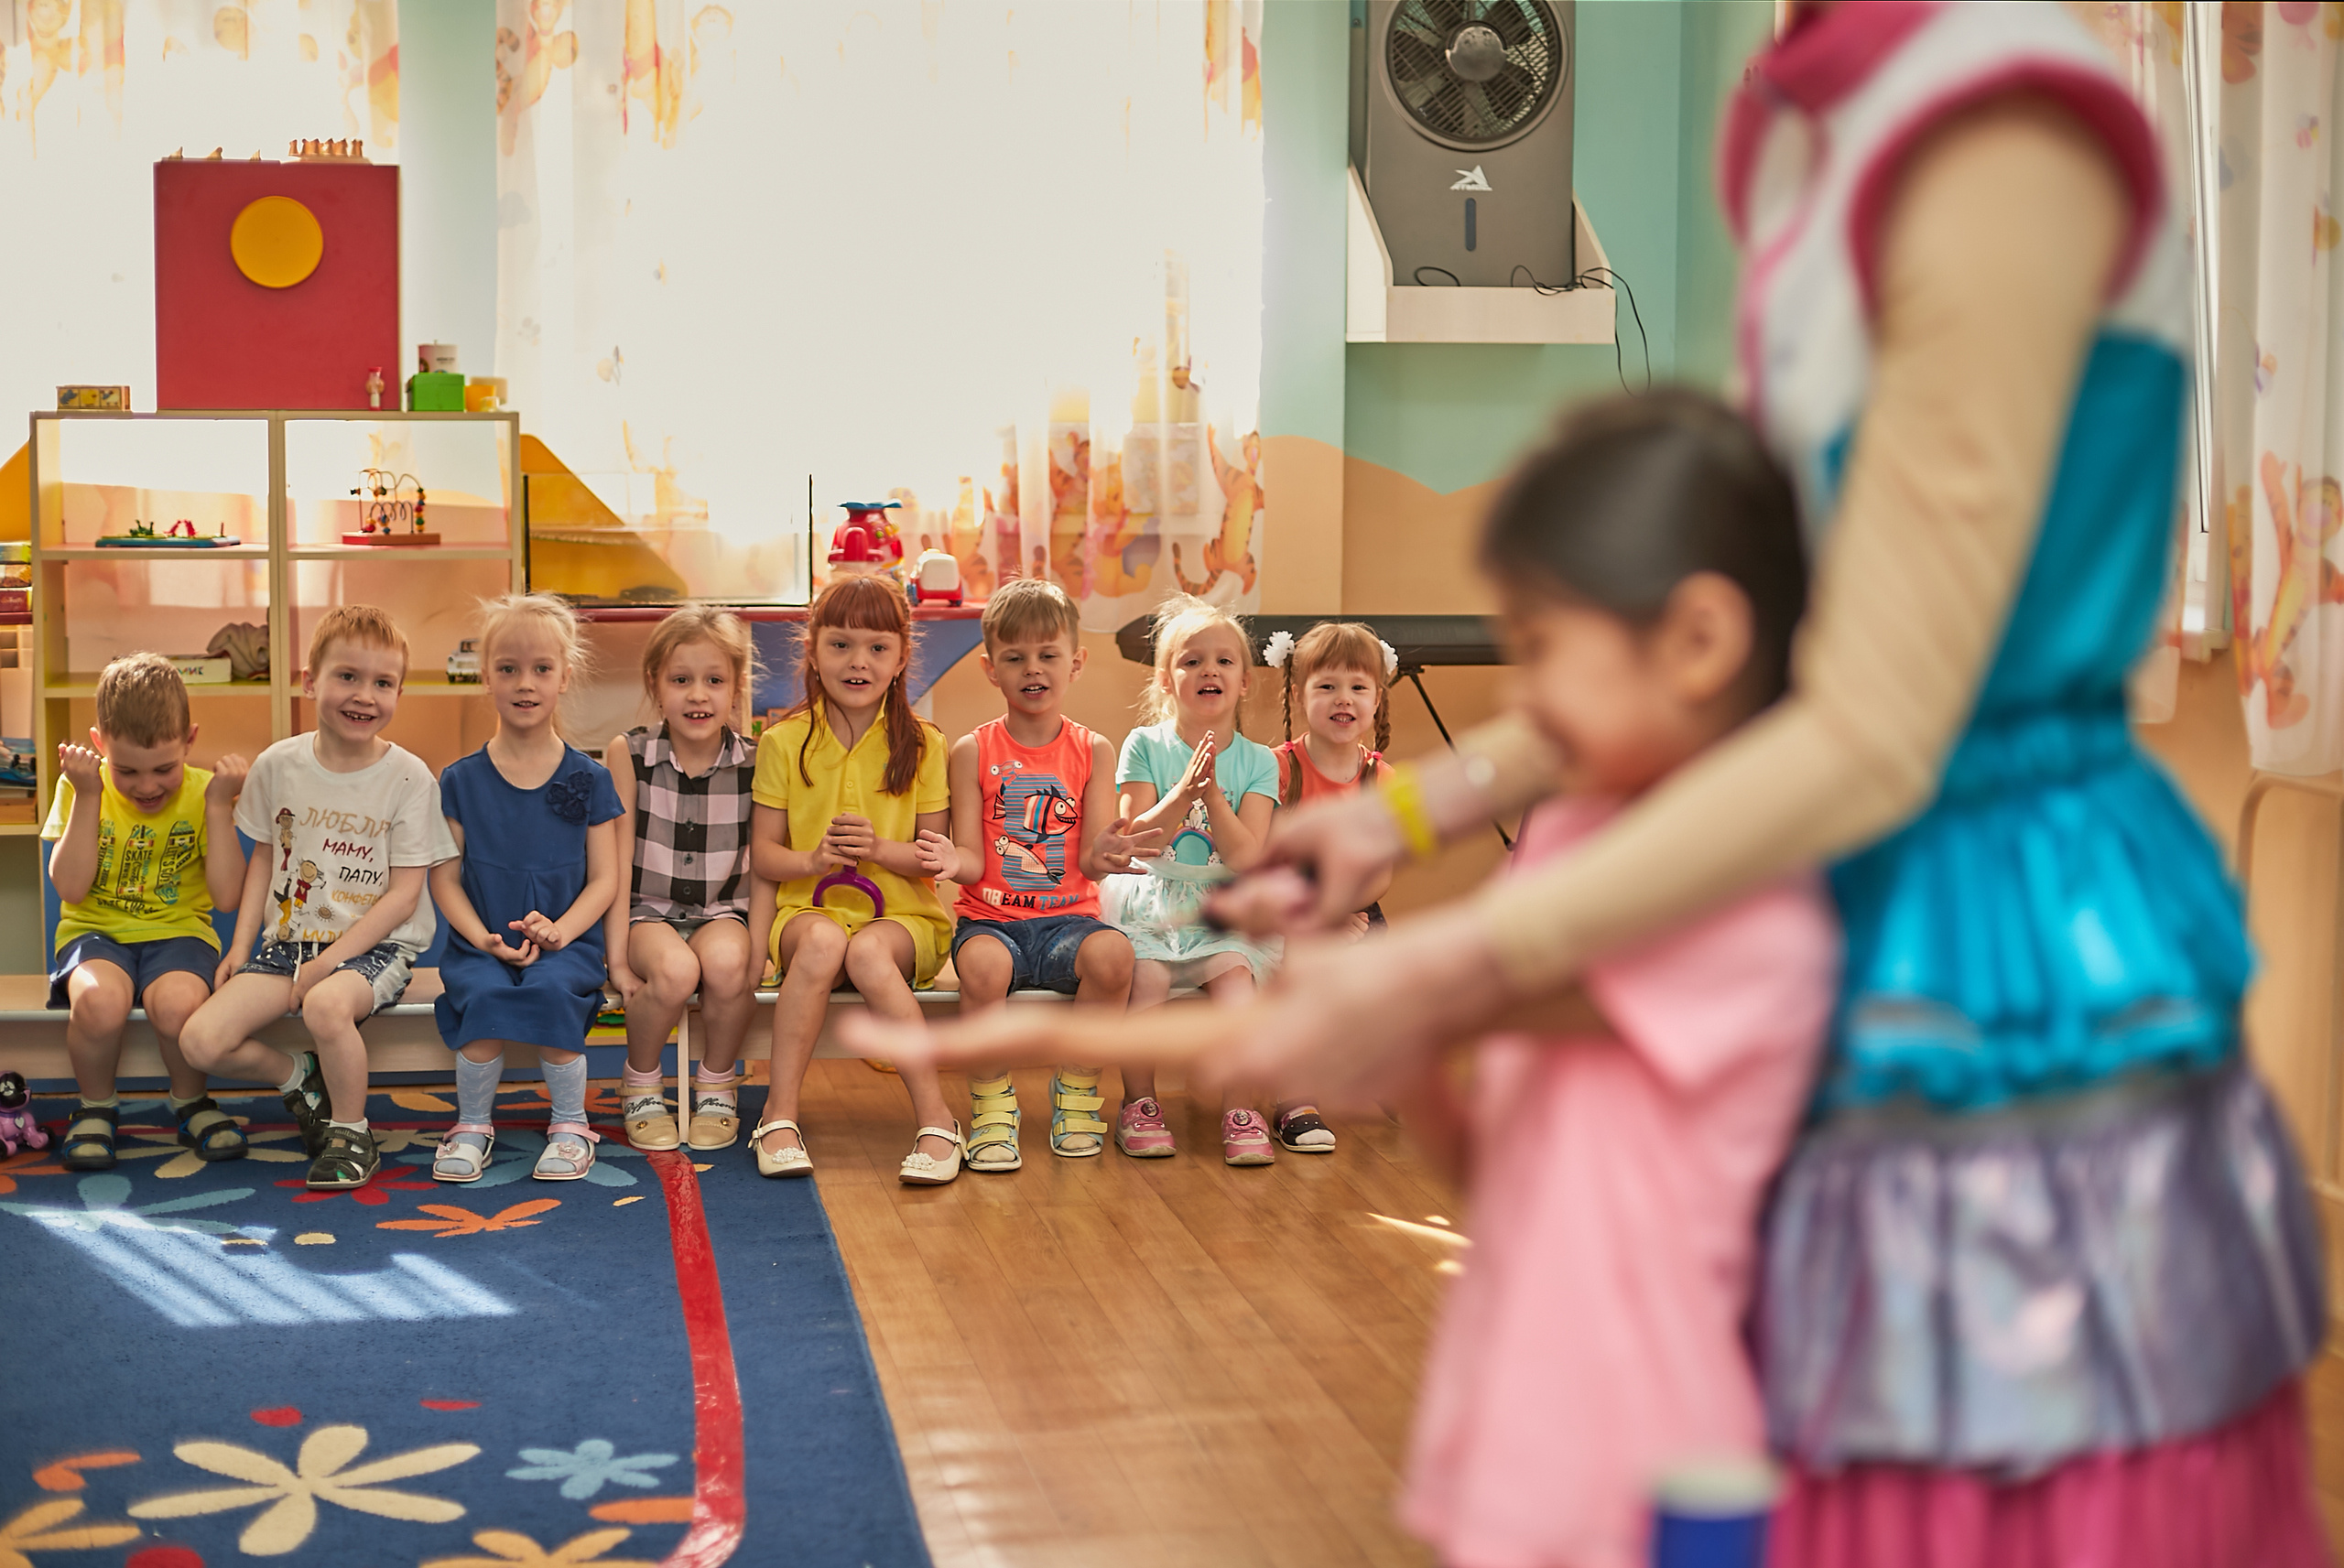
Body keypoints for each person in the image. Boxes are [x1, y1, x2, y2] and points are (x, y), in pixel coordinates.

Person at [861, 6, 2334, 1562]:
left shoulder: (1999, 131)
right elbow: (1732, 641)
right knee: (1733, 1432)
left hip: (1965, 924)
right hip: (1805, 850)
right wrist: (1407, 814)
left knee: (1938, 1466)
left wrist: (1441, 955)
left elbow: (1872, 710)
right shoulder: (1823, 116)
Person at [1406, 392, 1833, 1568]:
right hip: (1518, 1407)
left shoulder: (1746, 895)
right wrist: (1407, 1076)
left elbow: (1457, 995)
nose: (1518, 695)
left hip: (1658, 1456)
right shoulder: (1567, 836)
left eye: (1539, 644)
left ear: (1698, 640)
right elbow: (1495, 1171)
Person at [180, 606, 457, 1192]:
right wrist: (240, 945)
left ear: (399, 693)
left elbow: (405, 896)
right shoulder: (277, 765)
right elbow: (264, 857)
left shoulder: (409, 778)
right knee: (201, 1040)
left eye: (383, 683)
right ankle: (297, 1079)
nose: (365, 696)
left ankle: (351, 1132)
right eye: (348, 677)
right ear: (310, 682)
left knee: (325, 1006)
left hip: (373, 949)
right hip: (286, 945)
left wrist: (330, 963)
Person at [912, 579, 1156, 1172]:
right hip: (992, 921)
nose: (1033, 669)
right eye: (1015, 657)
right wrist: (951, 861)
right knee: (984, 967)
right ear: (991, 668)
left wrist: (1108, 849)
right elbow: (971, 855)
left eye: (1048, 655)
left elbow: (1093, 860)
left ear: (1075, 662)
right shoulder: (972, 750)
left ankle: (1077, 1089)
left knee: (1115, 958)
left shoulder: (1093, 749)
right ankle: (993, 1103)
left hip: (1068, 920)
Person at [748, 576, 963, 1184]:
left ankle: (937, 1121)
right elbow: (764, 855)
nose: (858, 661)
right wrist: (813, 862)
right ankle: (779, 1114)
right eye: (840, 645)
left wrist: (879, 849)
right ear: (812, 650)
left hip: (900, 922)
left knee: (868, 952)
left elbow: (930, 860)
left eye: (876, 647)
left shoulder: (924, 744)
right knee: (823, 943)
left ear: (901, 658)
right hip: (807, 916)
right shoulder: (782, 742)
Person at [428, 594, 624, 1184]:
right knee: (485, 998)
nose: (524, 683)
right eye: (508, 668)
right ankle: (472, 1125)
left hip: (569, 944)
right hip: (479, 941)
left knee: (551, 989)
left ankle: (569, 1124)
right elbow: (445, 877)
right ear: (485, 676)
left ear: (565, 676)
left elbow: (607, 877)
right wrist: (482, 939)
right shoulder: (460, 779)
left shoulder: (590, 778)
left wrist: (561, 931)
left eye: (541, 669)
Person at [42, 653, 250, 1170]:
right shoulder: (81, 785)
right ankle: (95, 1107)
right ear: (99, 745)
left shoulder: (206, 793)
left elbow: (228, 897)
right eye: (126, 770)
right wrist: (90, 795)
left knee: (180, 1006)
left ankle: (190, 1101)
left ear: (189, 741)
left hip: (179, 934)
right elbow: (69, 887)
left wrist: (221, 808)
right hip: (95, 934)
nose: (147, 786)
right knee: (97, 1002)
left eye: (165, 768)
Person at [1101, 594, 1283, 1165]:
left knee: (1236, 987)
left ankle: (1241, 1107)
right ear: (1166, 679)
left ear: (1245, 682)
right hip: (1152, 894)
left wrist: (1213, 798)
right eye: (1191, 660)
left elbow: (1247, 856)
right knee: (1147, 986)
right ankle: (1139, 1104)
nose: (1209, 670)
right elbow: (1136, 836)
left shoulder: (1259, 760)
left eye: (1225, 661)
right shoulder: (1145, 745)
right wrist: (1183, 793)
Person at [605, 605, 761, 1152]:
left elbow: (761, 863)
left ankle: (717, 1083)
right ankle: (642, 1081)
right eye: (681, 680)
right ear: (656, 684)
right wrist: (618, 957)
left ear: (736, 688)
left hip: (724, 912)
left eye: (714, 681)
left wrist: (759, 946)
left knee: (725, 965)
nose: (698, 695)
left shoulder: (754, 763)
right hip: (649, 911)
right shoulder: (631, 754)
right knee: (672, 972)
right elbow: (616, 861)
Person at [1263, 619, 1403, 1152]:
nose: (1343, 699)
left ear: (1377, 700)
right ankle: (1294, 1099)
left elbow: (1384, 870)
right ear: (1299, 696)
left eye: (1357, 687)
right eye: (1326, 686)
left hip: (1357, 909)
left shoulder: (1385, 778)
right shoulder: (1276, 769)